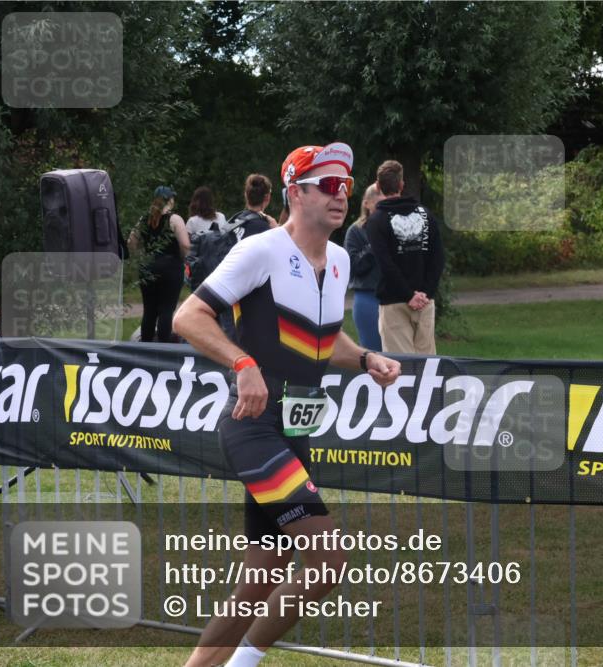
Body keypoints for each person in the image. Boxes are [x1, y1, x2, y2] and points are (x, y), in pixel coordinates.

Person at [173, 142, 401, 667]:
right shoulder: (262, 250)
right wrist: (242, 363)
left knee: (262, 576)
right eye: (328, 186)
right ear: (295, 193)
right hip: (253, 428)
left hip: (295, 432)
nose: (340, 195)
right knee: (327, 558)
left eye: (346, 186)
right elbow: (188, 317)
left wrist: (366, 358)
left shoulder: (340, 259)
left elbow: (323, 336)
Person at [366, 160, 445, 354]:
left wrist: (409, 295)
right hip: (424, 301)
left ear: (378, 186)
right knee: (427, 365)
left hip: (394, 301)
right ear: (401, 184)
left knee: (400, 366)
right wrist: (425, 293)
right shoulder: (426, 215)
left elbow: (386, 264)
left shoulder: (376, 220)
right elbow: (438, 258)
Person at [128, 186, 190, 342]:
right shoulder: (174, 219)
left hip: (148, 267)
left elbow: (131, 242)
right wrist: (182, 259)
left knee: (149, 311)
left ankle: (146, 345)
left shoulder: (144, 219)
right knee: (166, 309)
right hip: (170, 268)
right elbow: (185, 244)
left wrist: (141, 258)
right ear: (170, 201)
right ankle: (163, 346)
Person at [344, 183, 386, 351]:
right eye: (380, 204)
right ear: (367, 203)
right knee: (373, 352)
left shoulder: (396, 228)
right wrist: (374, 242)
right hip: (368, 297)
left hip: (395, 298)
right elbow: (354, 267)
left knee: (399, 355)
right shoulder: (355, 231)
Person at [224, 174, 279, 240]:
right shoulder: (265, 228)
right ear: (267, 197)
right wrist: (277, 230)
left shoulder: (234, 220)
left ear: (246, 195)